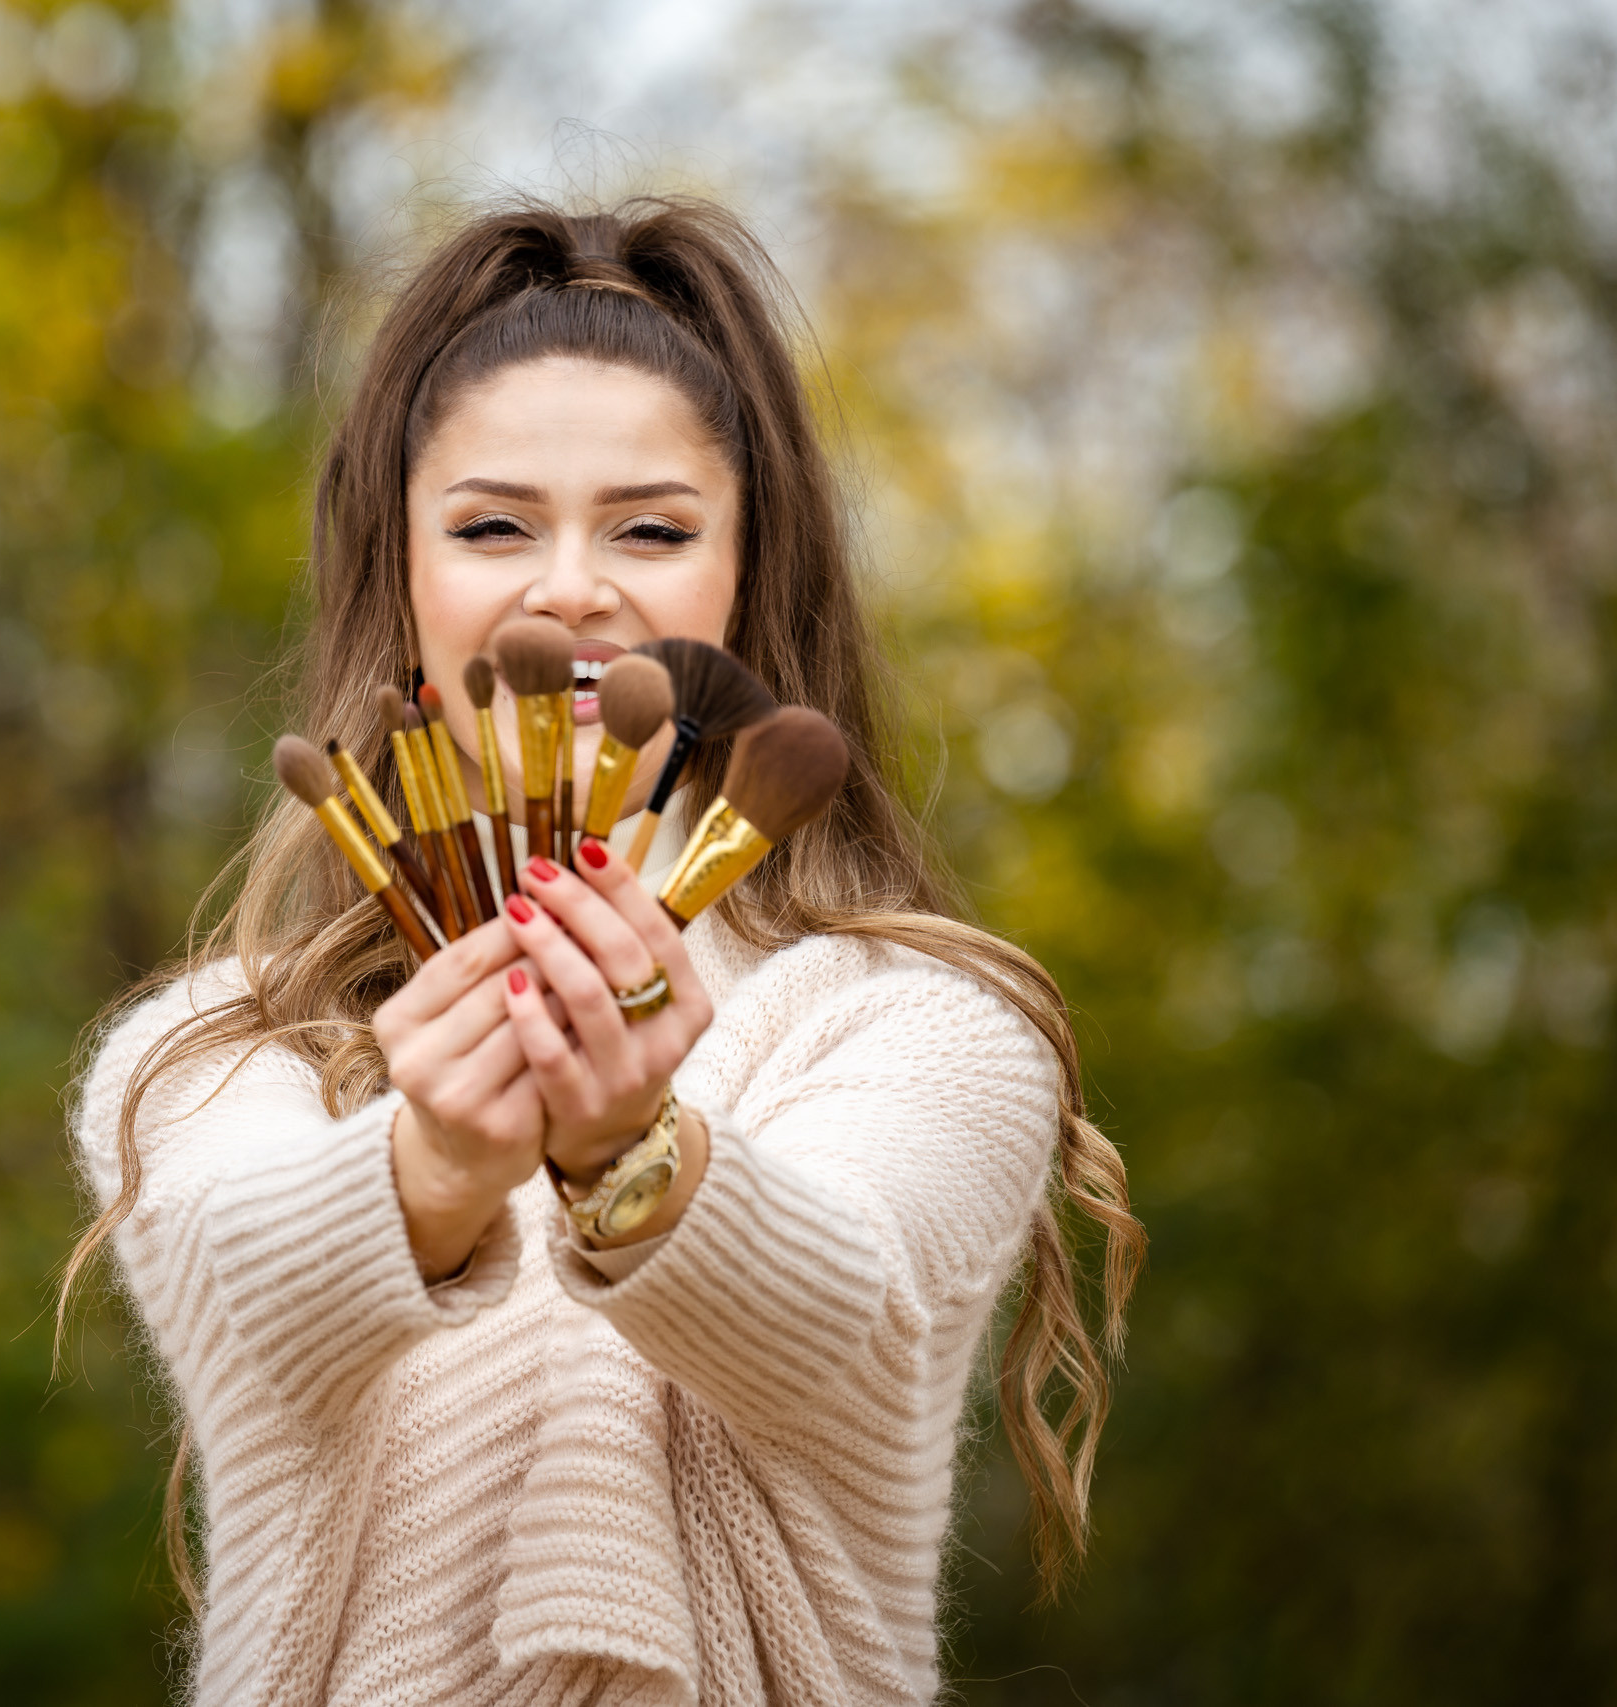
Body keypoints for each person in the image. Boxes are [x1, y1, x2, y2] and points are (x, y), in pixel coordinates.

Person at [65, 197, 1143, 1707]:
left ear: (748, 578)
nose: (572, 584)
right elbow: (244, 1293)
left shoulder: (930, 1024)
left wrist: (634, 1150)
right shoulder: (219, 1047)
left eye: (651, 527)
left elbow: (844, 1325)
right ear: (404, 578)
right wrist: (435, 1161)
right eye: (494, 525)